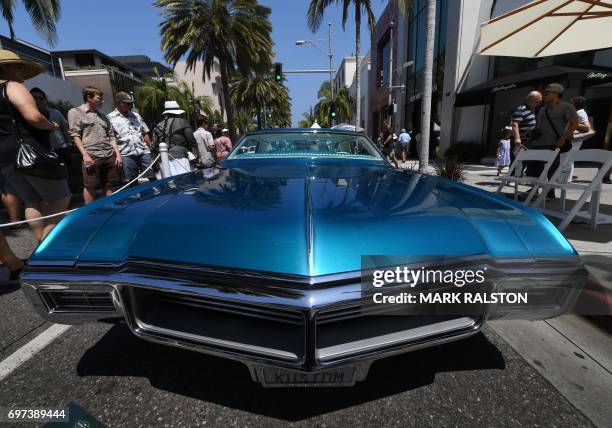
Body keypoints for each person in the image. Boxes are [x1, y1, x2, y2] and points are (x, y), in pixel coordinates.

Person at [0, 49, 71, 242]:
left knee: (32, 200)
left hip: (5, 156)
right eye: (20, 67)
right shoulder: (12, 86)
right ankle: (45, 245)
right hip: (29, 150)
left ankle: (40, 243)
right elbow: (33, 116)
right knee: (61, 197)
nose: (23, 72)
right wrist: (50, 126)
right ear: (8, 69)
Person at [68, 86, 123, 204]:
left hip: (108, 154)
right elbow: (75, 135)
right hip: (91, 154)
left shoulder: (103, 116)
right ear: (89, 97)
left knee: (109, 183)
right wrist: (85, 155)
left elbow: (111, 136)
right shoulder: (75, 112)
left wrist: (117, 154)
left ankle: (110, 207)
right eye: (99, 98)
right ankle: (89, 213)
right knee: (90, 185)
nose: (102, 101)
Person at [530, 83, 579, 198]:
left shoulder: (566, 107)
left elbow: (574, 123)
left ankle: (550, 191)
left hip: (554, 143)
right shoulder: (542, 109)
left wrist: (563, 138)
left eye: (548, 93)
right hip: (538, 143)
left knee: (552, 168)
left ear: (557, 94)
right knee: (535, 168)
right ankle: (533, 190)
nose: (545, 95)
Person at [107, 92, 153, 184]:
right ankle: (137, 198)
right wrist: (117, 155)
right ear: (119, 103)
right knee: (131, 181)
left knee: (152, 177)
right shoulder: (110, 118)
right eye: (127, 103)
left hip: (143, 152)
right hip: (126, 154)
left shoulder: (136, 116)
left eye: (131, 103)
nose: (130, 105)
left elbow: (144, 133)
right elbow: (111, 138)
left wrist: (151, 146)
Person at [30, 87, 72, 172]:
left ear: (45, 100)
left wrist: (69, 144)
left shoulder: (55, 112)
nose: (38, 100)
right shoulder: (28, 116)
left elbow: (64, 129)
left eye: (41, 98)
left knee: (66, 174)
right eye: (34, 98)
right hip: (41, 152)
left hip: (61, 149)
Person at [153, 101, 198, 177]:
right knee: (184, 181)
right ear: (178, 112)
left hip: (163, 158)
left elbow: (154, 144)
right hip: (180, 156)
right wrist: (196, 155)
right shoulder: (183, 122)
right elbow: (191, 140)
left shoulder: (158, 125)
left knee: (170, 183)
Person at [511, 90, 542, 163]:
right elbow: (514, 123)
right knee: (517, 162)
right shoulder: (521, 108)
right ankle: (513, 174)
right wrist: (517, 138)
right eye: (539, 100)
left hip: (528, 140)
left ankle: (519, 174)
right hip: (522, 140)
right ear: (533, 99)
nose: (539, 102)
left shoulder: (532, 109)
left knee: (524, 161)